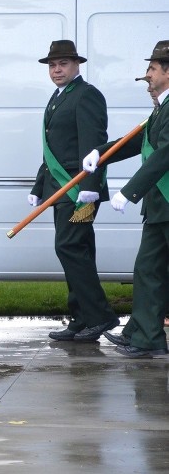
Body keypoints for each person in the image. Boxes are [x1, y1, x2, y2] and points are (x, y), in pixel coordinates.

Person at [83, 40, 169, 358]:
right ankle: (145, 335)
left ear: (167, 72)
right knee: (148, 269)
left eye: (151, 69)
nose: (146, 76)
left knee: (153, 270)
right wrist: (100, 154)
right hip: (160, 206)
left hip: (165, 202)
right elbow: (135, 142)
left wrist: (129, 192)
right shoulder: (161, 108)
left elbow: (164, 155)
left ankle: (145, 334)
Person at [29, 40, 118, 342]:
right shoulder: (58, 98)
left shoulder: (87, 95)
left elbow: (95, 146)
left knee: (68, 248)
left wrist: (90, 188)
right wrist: (39, 185)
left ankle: (100, 317)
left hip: (80, 193)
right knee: (79, 251)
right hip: (60, 191)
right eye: (53, 65)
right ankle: (81, 317)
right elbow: (53, 149)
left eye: (63, 63)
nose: (57, 69)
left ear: (77, 65)